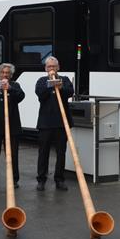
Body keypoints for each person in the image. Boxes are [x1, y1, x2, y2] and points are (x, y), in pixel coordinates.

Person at [35, 56, 74, 191]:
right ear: (46, 69)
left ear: (58, 67)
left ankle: (59, 179)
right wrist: (50, 84)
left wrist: (60, 86)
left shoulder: (65, 80)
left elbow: (70, 92)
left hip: (61, 123)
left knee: (61, 153)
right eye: (49, 67)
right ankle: (41, 179)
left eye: (54, 66)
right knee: (43, 152)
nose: (51, 69)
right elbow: (40, 95)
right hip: (45, 123)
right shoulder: (41, 81)